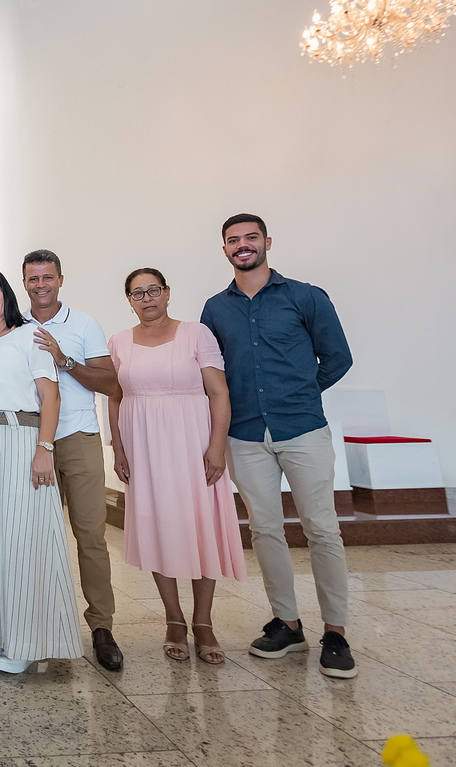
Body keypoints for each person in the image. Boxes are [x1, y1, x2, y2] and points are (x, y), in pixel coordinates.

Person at [201, 213, 356, 679]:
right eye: (233, 240)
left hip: (302, 429)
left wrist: (301, 394)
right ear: (224, 250)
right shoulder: (215, 309)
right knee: (265, 529)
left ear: (267, 241)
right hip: (245, 434)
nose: (242, 245)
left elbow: (338, 357)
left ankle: (336, 632)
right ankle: (287, 623)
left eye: (251, 237)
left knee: (321, 529)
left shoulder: (306, 296)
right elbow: (213, 373)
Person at [107, 268, 246, 664]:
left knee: (202, 525)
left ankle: (203, 621)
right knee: (158, 527)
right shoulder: (118, 341)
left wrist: (217, 447)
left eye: (153, 290)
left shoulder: (196, 334)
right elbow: (114, 397)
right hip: (144, 447)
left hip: (193, 442)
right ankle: (174, 619)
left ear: (167, 293)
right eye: (137, 293)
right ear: (129, 300)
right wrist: (118, 448)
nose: (147, 298)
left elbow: (218, 392)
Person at [0, 269, 83, 673]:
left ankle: (27, 643)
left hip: (22, 440)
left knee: (24, 541)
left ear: (7, 295)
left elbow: (51, 397)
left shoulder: (29, 336)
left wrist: (44, 449)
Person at [20, 250, 125, 671]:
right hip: (30, 442)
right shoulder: (13, 324)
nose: (40, 285)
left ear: (60, 279)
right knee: (36, 537)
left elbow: (110, 383)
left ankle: (102, 626)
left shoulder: (83, 324)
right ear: (24, 283)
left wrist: (64, 360)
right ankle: (43, 624)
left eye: (47, 277)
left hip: (78, 437)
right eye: (33, 279)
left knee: (91, 536)